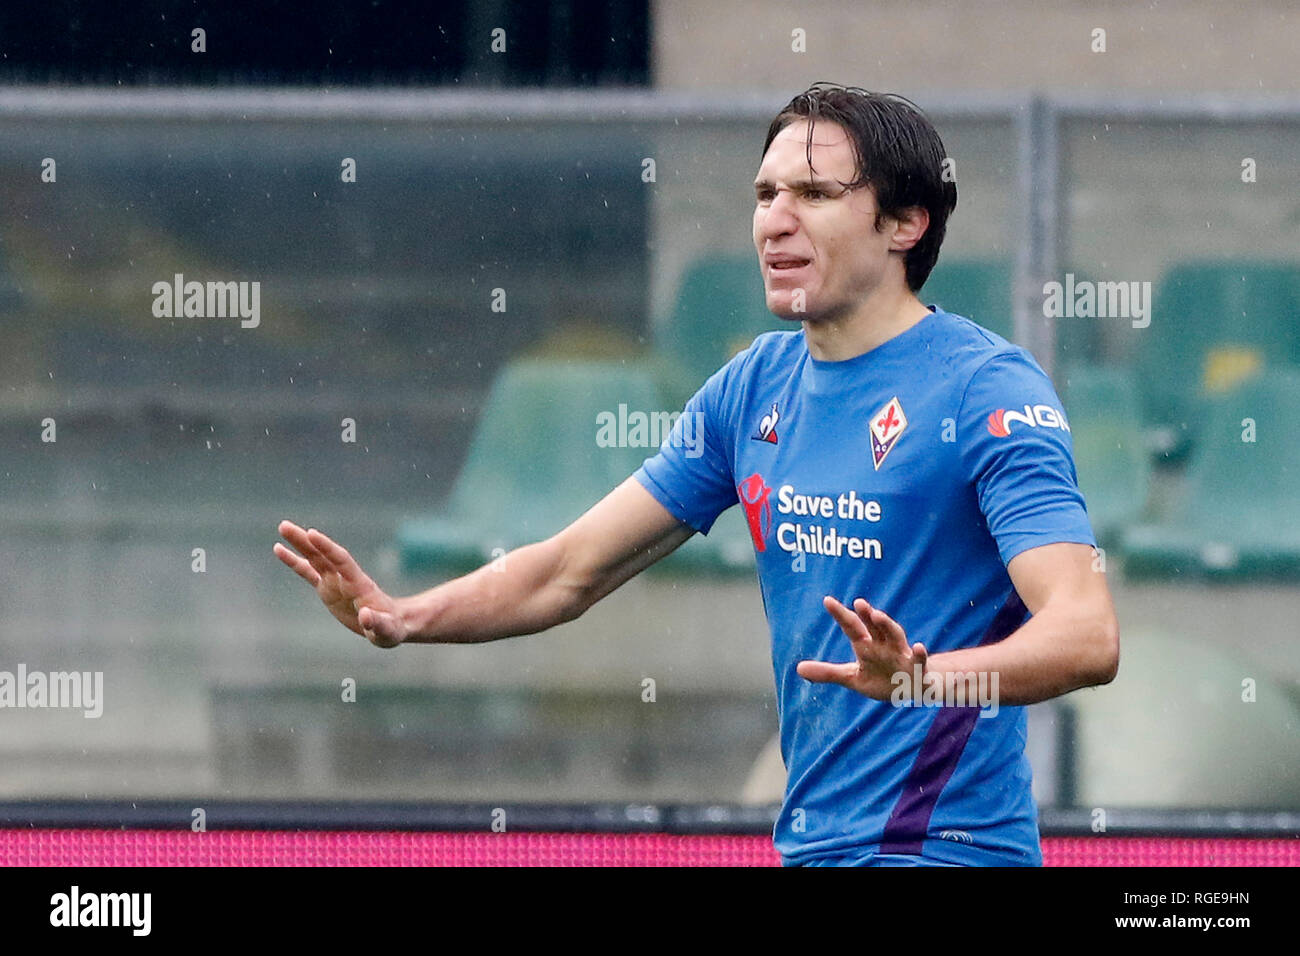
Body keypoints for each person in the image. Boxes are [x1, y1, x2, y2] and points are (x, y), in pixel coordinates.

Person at [274, 82, 1119, 867]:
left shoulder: (986, 389)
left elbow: (1087, 637)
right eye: (765, 195)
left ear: (905, 224)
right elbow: (567, 571)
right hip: (816, 849)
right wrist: (406, 615)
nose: (775, 221)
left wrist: (929, 681)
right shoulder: (752, 386)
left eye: (815, 195)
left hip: (944, 853)